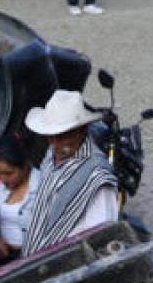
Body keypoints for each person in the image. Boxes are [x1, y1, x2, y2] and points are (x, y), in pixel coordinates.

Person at [22, 89, 118, 255]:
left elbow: (102, 237)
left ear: (82, 130)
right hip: (35, 254)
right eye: (51, 135)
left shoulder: (97, 175)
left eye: (63, 135)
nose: (55, 142)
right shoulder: (50, 155)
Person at [0, 135, 41, 262]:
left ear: (25, 166)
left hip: (34, 256)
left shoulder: (42, 186)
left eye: (9, 173)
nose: (3, 179)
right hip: (3, 255)